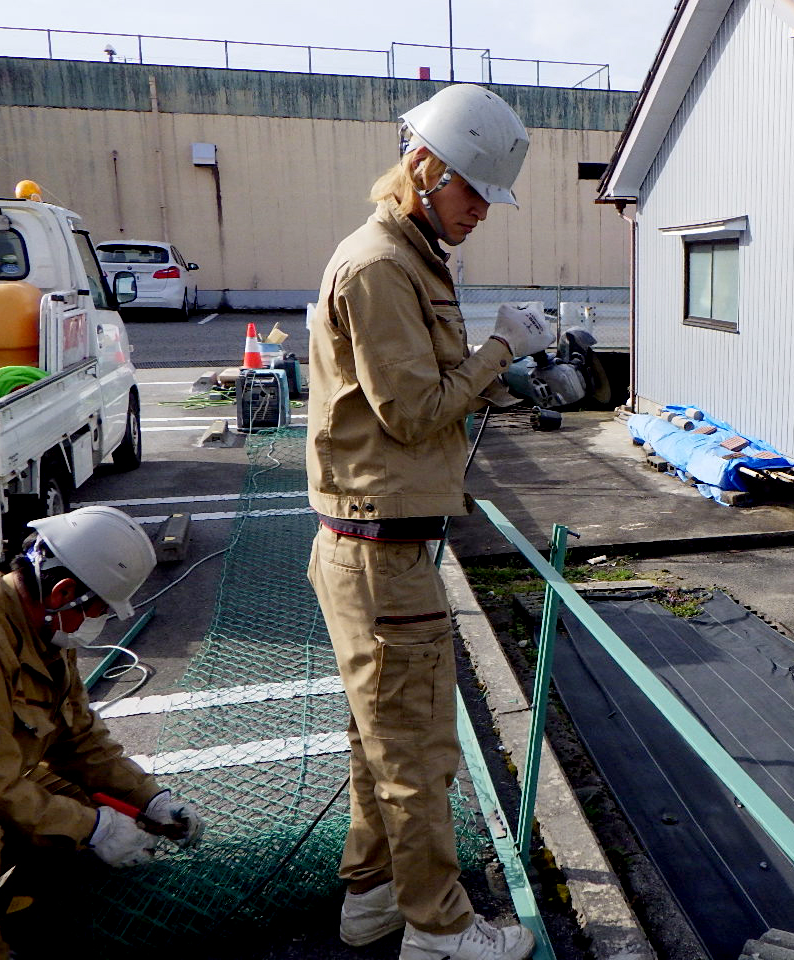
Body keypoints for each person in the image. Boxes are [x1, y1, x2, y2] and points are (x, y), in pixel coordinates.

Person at [306, 82, 554, 960]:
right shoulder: (380, 266)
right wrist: (501, 349)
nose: (482, 211)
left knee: (383, 740)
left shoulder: (410, 257)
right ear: (425, 167)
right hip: (380, 552)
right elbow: (413, 413)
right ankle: (440, 928)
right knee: (417, 755)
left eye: (489, 196)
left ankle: (373, 900)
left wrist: (499, 367)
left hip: (378, 546)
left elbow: (419, 405)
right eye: (473, 191)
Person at [0, 506, 205, 958]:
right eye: (101, 612)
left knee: (85, 804)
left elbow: (79, 738)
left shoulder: (44, 629)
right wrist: (92, 828)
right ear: (64, 590)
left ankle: (29, 907)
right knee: (82, 823)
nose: (102, 625)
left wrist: (148, 799)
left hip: (5, 780)